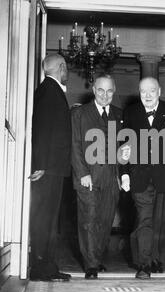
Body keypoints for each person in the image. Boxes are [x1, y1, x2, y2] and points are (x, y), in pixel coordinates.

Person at [121, 77, 165, 279]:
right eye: (143, 92)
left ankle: (155, 259)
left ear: (159, 91)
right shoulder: (131, 112)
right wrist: (124, 173)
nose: (147, 96)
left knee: (161, 220)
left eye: (151, 91)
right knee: (144, 219)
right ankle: (144, 264)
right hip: (139, 176)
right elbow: (124, 145)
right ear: (139, 92)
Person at [71, 74, 122, 279]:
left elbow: (123, 147)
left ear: (114, 91)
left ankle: (97, 258)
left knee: (105, 220)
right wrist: (82, 173)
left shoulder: (119, 115)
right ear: (94, 90)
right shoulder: (79, 114)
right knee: (89, 220)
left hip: (112, 178)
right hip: (88, 177)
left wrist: (122, 174)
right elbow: (74, 146)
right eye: (100, 90)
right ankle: (91, 264)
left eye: (109, 91)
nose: (104, 95)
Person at [29, 54, 72, 282]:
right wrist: (41, 165)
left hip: (52, 167)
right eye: (67, 68)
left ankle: (47, 266)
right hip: (49, 168)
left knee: (48, 219)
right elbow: (42, 129)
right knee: (45, 219)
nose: (68, 73)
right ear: (62, 68)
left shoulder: (48, 89)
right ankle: (41, 268)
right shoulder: (49, 91)